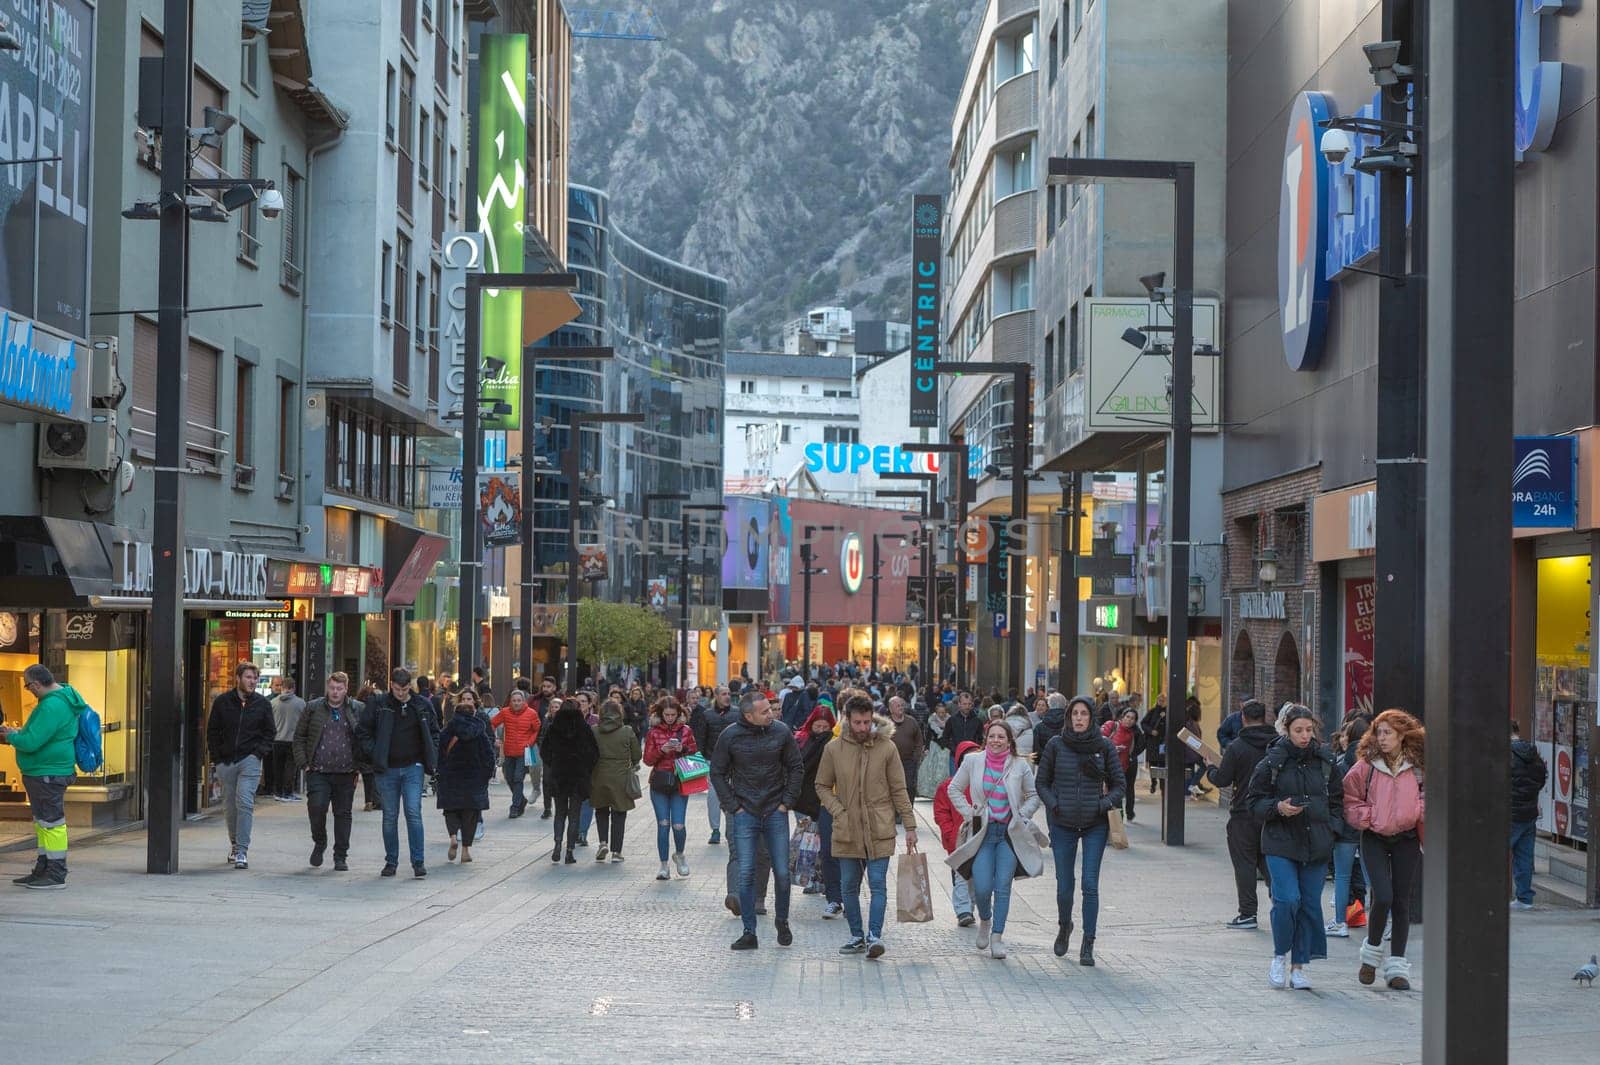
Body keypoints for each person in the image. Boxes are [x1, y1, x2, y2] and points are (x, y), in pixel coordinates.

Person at [1245, 704, 1344, 990]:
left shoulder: (1326, 762)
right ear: (1286, 730)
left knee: (1309, 905)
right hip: (1280, 842)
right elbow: (1253, 803)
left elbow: (1338, 802)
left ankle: (1299, 966)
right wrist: (1277, 807)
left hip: (1317, 844)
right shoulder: (1271, 763)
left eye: (1309, 730)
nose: (1304, 735)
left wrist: (1332, 830)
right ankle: (1279, 957)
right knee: (1287, 900)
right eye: (1298, 730)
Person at [815, 694, 918, 959]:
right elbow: (822, 785)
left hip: (879, 825)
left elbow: (899, 788)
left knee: (877, 884)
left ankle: (874, 936)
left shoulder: (886, 747)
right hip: (847, 827)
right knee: (848, 885)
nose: (862, 727)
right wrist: (838, 811)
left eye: (866, 722)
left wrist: (910, 825)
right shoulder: (834, 749)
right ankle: (856, 935)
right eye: (857, 722)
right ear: (847, 720)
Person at [709, 692, 803, 951]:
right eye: (764, 712)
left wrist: (787, 802)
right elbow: (716, 772)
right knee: (746, 873)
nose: (770, 714)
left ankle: (782, 921)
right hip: (745, 812)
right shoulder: (730, 735)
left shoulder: (781, 732)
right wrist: (733, 807)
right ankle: (749, 931)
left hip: (775, 810)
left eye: (770, 710)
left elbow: (796, 767)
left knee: (782, 873)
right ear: (748, 715)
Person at [946, 720, 1045, 961]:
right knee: (981, 887)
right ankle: (985, 920)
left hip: (1009, 835)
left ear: (1010, 741)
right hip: (983, 834)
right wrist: (970, 812)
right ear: (986, 738)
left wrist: (1022, 814)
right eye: (992, 736)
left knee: (1002, 887)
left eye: (1001, 737)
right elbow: (954, 789)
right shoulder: (973, 761)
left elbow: (1033, 796)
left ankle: (997, 937)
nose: (996, 741)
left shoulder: (1020, 766)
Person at [1036, 695, 1124, 966]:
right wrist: (1055, 805)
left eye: (1084, 713)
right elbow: (1042, 783)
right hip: (1063, 824)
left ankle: (1088, 941)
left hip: (1094, 824)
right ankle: (1065, 926)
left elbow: (1119, 786)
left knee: (1089, 884)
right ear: (1068, 716)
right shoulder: (1056, 745)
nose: (1078, 718)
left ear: (1091, 717)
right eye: (1074, 713)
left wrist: (1103, 805)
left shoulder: (1104, 746)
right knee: (1065, 886)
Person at [1342, 708, 1425, 991]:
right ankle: (1371, 955)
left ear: (1403, 735)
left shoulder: (1417, 766)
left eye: (1388, 732)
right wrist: (1366, 818)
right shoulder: (1366, 766)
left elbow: (1430, 794)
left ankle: (1398, 968)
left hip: (1407, 837)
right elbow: (1350, 797)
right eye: (1379, 732)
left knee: (1402, 901)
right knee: (1382, 896)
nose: (1383, 737)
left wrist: (1418, 811)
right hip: (1375, 837)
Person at [2, 665, 88, 889]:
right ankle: (43, 868)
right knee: (44, 823)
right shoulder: (63, 699)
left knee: (52, 823)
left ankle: (56, 874)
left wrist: (12, 737)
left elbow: (32, 742)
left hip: (47, 773)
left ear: (36, 684)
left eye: (28, 686)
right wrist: (18, 734)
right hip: (47, 771)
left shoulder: (52, 706)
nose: (29, 690)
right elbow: (41, 736)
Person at [356, 668, 439, 879]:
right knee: (390, 815)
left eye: (403, 689)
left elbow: (435, 732)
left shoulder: (421, 705)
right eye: (395, 688)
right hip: (387, 768)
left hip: (414, 767)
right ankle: (391, 861)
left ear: (409, 686)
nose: (400, 693)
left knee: (413, 812)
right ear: (390, 685)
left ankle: (418, 861)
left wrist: (429, 757)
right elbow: (363, 731)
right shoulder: (380, 703)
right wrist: (375, 753)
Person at [1207, 699, 1275, 930]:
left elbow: (1222, 779)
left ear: (1243, 718)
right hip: (1271, 812)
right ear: (1264, 717)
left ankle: (1247, 914)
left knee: (1245, 863)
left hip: (1243, 813)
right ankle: (1283, 903)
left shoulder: (1237, 746)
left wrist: (1210, 768)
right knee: (1269, 860)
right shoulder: (1276, 744)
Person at [207, 661, 276, 870]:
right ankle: (235, 843)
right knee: (230, 806)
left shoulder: (262, 704)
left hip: (249, 760)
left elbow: (270, 733)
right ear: (238, 678)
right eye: (248, 677)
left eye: (255, 678)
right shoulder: (222, 702)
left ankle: (242, 850)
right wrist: (217, 758)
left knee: (245, 801)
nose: (252, 681)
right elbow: (212, 731)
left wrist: (258, 754)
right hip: (226, 761)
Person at [292, 671, 363, 871]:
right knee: (316, 807)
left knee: (343, 814)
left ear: (346, 689)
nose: (335, 692)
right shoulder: (313, 708)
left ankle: (340, 856)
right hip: (318, 770)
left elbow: (364, 737)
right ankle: (319, 841)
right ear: (327, 687)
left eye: (339, 688)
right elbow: (299, 737)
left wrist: (360, 765)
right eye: (332, 688)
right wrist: (304, 763)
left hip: (346, 771)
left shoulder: (356, 709)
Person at [436, 688, 496, 864]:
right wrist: (486, 775)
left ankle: (453, 837)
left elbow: (439, 753)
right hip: (474, 780)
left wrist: (441, 771)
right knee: (470, 815)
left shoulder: (448, 731)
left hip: (451, 778)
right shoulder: (480, 731)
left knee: (451, 810)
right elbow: (489, 755)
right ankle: (465, 850)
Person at [793, 704, 841, 914]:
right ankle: (812, 879)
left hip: (823, 800)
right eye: (817, 726)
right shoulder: (802, 740)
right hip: (803, 799)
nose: (821, 730)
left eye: (824, 726)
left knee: (824, 844)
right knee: (808, 841)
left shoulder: (833, 743)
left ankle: (822, 881)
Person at [643, 698, 698, 880]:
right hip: (659, 782)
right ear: (660, 714)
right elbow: (648, 760)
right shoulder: (653, 732)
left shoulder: (686, 730)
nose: (669, 718)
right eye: (666, 715)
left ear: (678, 714)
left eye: (673, 715)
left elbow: (695, 754)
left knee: (678, 825)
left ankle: (680, 854)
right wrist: (662, 750)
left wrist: (682, 748)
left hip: (680, 781)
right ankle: (663, 865)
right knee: (663, 824)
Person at [539, 698, 599, 864]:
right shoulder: (584, 728)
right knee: (574, 815)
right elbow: (594, 753)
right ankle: (570, 851)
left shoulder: (553, 728)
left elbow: (544, 751)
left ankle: (558, 844)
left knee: (559, 813)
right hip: (578, 776)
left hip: (559, 774)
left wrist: (554, 763)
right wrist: (585, 767)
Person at [1327, 715, 1370, 936]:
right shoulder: (1374, 763)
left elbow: (1335, 796)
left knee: (1342, 876)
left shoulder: (1342, 764)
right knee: (1372, 877)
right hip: (1368, 827)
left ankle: (1340, 923)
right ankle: (1385, 922)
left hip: (1345, 828)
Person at [933, 739, 983, 926]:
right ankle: (963, 910)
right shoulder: (947, 787)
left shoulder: (983, 783)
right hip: (958, 837)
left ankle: (969, 907)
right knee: (962, 875)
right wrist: (949, 831)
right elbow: (941, 812)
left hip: (980, 836)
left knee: (977, 875)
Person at [590, 699, 643, 863]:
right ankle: (616, 851)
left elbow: (589, 753)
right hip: (621, 777)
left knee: (601, 810)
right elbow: (637, 755)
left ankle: (603, 843)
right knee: (619, 814)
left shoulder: (594, 731)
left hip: (599, 775)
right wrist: (632, 763)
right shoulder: (627, 731)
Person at [691, 685, 740, 844]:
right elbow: (700, 739)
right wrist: (699, 762)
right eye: (724, 694)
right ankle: (715, 829)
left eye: (728, 694)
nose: (727, 696)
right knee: (713, 795)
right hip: (712, 760)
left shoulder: (736, 713)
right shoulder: (707, 715)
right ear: (716, 696)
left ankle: (731, 827)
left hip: (734, 761)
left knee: (733, 793)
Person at [1509, 720, 1548, 911]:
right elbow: (1541, 778)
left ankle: (1489, 896)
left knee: (1495, 855)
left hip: (1508, 812)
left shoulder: (1504, 754)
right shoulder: (1533, 754)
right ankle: (1524, 898)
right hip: (1529, 813)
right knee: (1524, 856)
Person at [488, 688, 540, 817]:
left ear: (523, 701)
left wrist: (530, 742)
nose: (516, 703)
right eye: (514, 700)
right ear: (510, 701)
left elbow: (537, 729)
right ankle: (521, 799)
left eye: (519, 700)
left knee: (518, 778)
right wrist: (494, 738)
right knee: (509, 777)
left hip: (524, 751)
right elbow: (492, 723)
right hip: (508, 751)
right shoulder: (505, 712)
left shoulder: (531, 713)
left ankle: (515, 807)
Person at [1101, 707, 1143, 821]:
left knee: (1117, 797)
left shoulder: (1132, 733)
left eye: (1132, 718)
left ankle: (1117, 823)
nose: (1129, 720)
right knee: (1110, 796)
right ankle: (1113, 822)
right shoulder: (1112, 725)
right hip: (1108, 768)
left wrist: (1132, 756)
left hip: (1122, 769)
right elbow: (1099, 741)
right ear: (1122, 717)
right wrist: (1114, 748)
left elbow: (1140, 745)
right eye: (1127, 717)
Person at [270, 677, 306, 801]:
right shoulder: (301, 703)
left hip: (277, 739)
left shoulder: (273, 702)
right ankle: (288, 792)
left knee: (278, 767)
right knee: (290, 767)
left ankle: (277, 792)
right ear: (293, 688)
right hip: (292, 740)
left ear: (282, 687)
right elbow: (305, 721)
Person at [885, 696, 926, 801]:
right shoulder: (886, 723)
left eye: (902, 705)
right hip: (891, 762)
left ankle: (908, 809)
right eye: (897, 705)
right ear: (891, 709)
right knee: (892, 787)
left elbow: (919, 739)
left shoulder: (911, 721)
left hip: (909, 761)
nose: (901, 707)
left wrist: (916, 756)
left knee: (909, 786)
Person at [939, 690, 984, 770]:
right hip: (955, 756)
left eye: (969, 704)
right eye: (964, 704)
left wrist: (975, 749)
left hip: (972, 756)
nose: (967, 706)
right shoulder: (952, 720)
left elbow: (980, 738)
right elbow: (945, 737)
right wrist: (954, 749)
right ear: (959, 704)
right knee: (954, 780)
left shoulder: (977, 721)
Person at [1140, 694, 1168, 795]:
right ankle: (1153, 782)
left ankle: (1162, 786)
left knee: (1162, 764)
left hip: (1163, 743)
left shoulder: (1168, 712)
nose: (1161, 702)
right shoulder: (1152, 712)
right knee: (1153, 764)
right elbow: (1143, 723)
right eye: (1159, 700)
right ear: (1157, 701)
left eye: (1163, 700)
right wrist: (1151, 731)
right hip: (1153, 742)